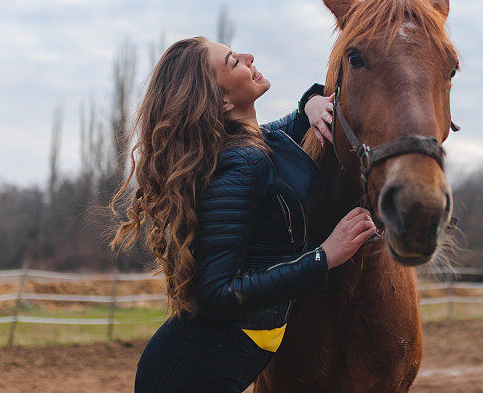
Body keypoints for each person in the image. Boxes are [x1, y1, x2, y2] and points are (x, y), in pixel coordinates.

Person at [109, 37, 376, 392]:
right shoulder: (241, 164)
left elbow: (282, 132)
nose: (249, 57)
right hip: (183, 378)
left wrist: (311, 104)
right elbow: (218, 292)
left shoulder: (250, 145)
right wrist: (323, 257)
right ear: (221, 100)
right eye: (234, 61)